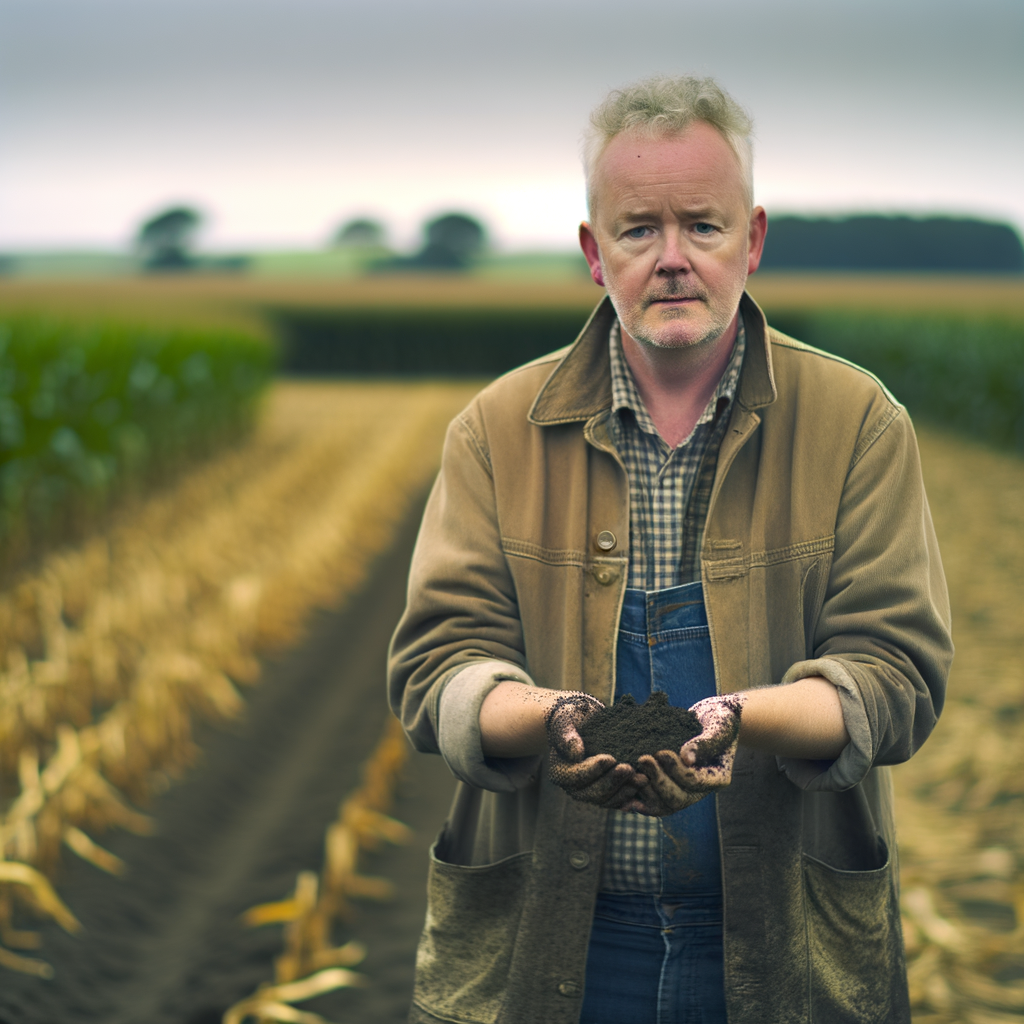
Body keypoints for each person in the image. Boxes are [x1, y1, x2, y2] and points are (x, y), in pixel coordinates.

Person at [388, 75, 952, 1024]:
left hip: (781, 938)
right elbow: (434, 666)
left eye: (703, 225)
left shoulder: (858, 424)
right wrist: (547, 716)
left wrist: (743, 716)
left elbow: (895, 678)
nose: (674, 259)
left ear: (754, 240)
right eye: (638, 229)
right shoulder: (495, 431)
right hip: (559, 935)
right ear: (593, 253)